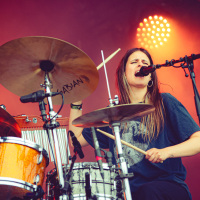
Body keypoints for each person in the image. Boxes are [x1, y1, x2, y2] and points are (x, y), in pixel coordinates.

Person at [69, 47, 200, 200]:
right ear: (124, 74)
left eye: (145, 62)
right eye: (134, 62)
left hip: (166, 186)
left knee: (148, 192)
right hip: (127, 192)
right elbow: (76, 139)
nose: (141, 65)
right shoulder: (111, 115)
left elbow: (197, 140)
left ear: (150, 75)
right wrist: (75, 102)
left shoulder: (165, 102)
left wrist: (166, 152)